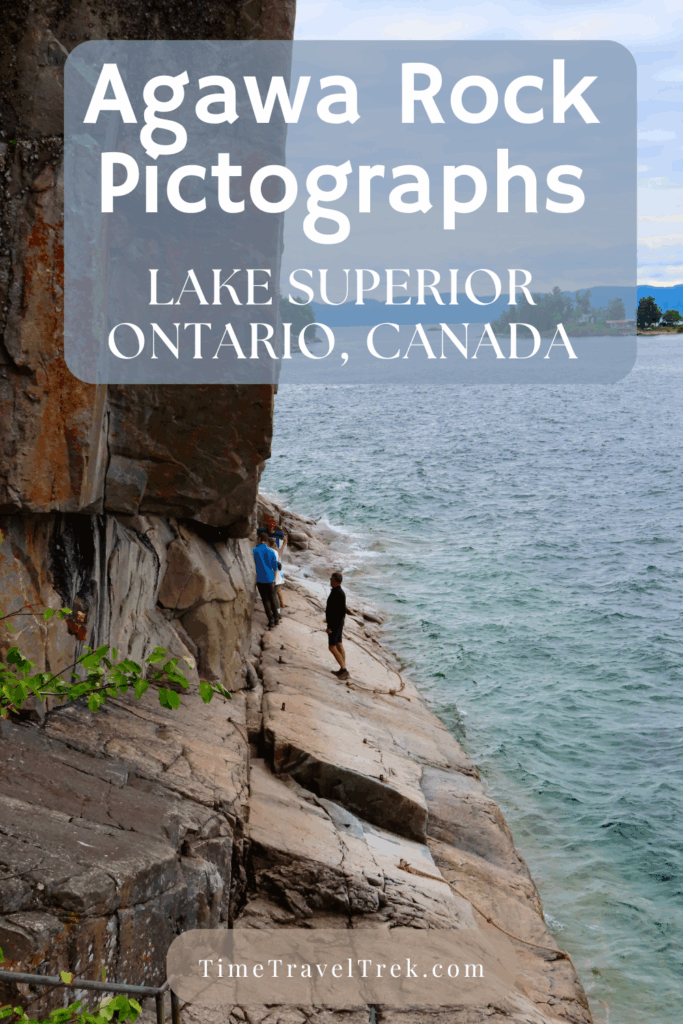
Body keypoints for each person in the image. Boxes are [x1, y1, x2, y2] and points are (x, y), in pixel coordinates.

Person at [326, 571, 348, 680]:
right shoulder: (339, 592)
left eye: (331, 579)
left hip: (335, 624)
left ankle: (343, 669)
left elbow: (336, 613)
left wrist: (330, 627)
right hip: (339, 623)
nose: (330, 580)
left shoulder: (337, 593)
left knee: (332, 646)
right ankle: (342, 668)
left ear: (335, 581)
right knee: (339, 644)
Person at [253, 535, 279, 628]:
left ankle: (271, 620)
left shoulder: (254, 551)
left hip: (260, 578)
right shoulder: (271, 551)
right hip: (270, 578)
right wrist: (274, 580)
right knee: (272, 599)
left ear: (259, 539)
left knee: (265, 600)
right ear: (266, 540)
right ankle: (276, 619)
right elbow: (275, 567)